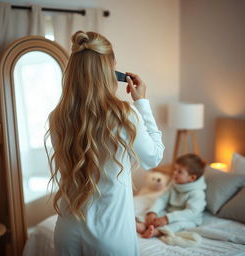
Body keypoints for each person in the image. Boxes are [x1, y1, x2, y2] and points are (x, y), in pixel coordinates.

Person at [45, 30, 165, 256]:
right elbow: (153, 158)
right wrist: (142, 103)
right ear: (109, 71)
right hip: (110, 237)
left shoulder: (58, 116)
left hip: (66, 232)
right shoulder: (124, 114)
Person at [136, 153, 207, 238]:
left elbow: (191, 212)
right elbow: (163, 199)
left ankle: (157, 232)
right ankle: (144, 225)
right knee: (155, 215)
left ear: (192, 178)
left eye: (179, 171)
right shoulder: (174, 184)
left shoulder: (197, 193)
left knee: (179, 225)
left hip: (189, 218)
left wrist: (168, 218)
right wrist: (153, 212)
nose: (174, 173)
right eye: (175, 169)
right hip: (170, 212)